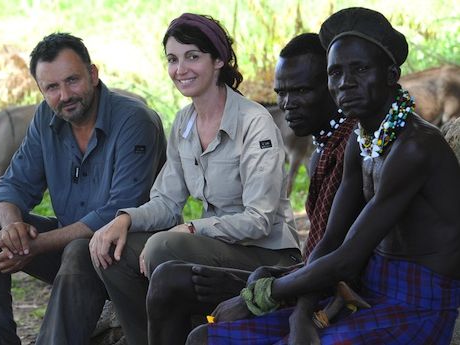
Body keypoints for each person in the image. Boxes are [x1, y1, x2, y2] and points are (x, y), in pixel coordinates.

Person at [186, 7, 460, 345]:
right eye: (335, 72)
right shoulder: (362, 142)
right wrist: (302, 314)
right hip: (365, 294)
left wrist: (257, 297)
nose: (345, 83)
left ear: (391, 74)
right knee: (204, 338)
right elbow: (330, 241)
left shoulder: (415, 148)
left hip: (416, 307)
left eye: (360, 69)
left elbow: (346, 259)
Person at [89, 13, 301, 345]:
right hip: (214, 247)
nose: (180, 69)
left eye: (192, 56)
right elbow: (167, 202)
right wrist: (125, 219)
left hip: (267, 255)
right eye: (172, 59)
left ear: (218, 60)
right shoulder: (184, 123)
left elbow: (259, 220)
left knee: (165, 245)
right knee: (112, 249)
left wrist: (191, 228)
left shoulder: (254, 122)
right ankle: (145, 338)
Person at [145, 32, 358, 345]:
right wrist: (124, 220)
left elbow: (341, 262)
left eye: (300, 91)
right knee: (166, 277)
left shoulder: (354, 148)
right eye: (281, 93)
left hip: (322, 284)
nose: (287, 105)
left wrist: (258, 291)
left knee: (194, 321)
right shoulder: (324, 151)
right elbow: (320, 253)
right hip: (293, 275)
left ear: (334, 85)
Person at [0, 32, 166, 345]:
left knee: (79, 249)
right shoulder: (47, 117)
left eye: (72, 80)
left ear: (93, 74)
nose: (65, 95)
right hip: (74, 253)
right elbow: (12, 185)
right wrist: (12, 228)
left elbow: (119, 211)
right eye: (52, 87)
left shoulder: (135, 120)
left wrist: (36, 245)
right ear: (41, 90)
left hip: (128, 260)